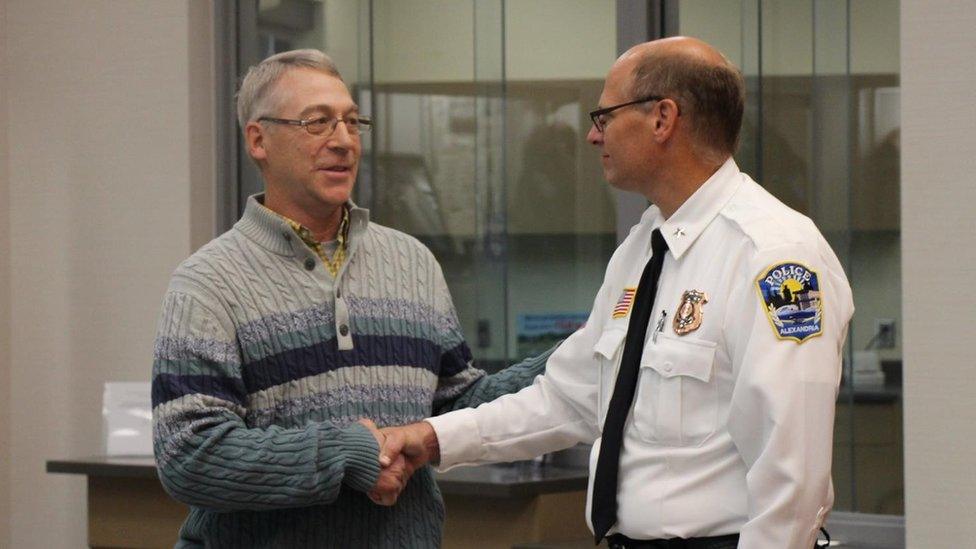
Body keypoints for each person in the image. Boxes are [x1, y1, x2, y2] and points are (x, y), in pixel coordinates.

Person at [381, 37, 854, 549]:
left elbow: (792, 475)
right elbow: (568, 398)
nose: (591, 135)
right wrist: (431, 439)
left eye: (604, 116)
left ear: (662, 118)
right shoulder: (643, 249)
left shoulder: (774, 255)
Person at [150, 49, 550, 548]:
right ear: (258, 140)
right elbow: (189, 457)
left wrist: (579, 355)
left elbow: (456, 405)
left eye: (351, 121)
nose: (343, 141)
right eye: (317, 122)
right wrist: (347, 454)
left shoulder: (412, 262)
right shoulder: (208, 283)